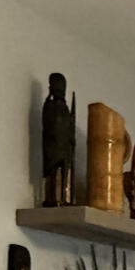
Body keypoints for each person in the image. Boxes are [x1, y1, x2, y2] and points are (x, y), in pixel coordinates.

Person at [41, 72, 76, 206]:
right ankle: (52, 197)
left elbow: (68, 127)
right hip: (53, 146)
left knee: (64, 172)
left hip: (64, 146)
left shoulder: (64, 109)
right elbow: (49, 126)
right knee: (53, 171)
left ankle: (63, 197)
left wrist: (71, 139)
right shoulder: (50, 107)